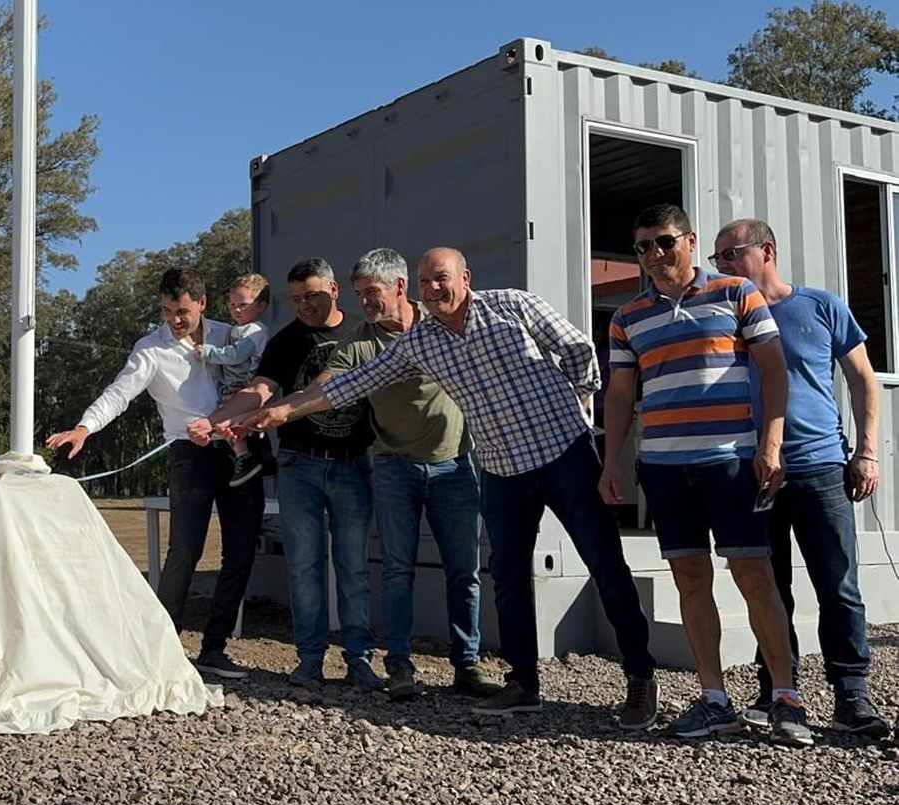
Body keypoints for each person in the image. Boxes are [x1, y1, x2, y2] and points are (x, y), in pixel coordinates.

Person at [243, 247, 659, 728]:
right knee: (506, 576)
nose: (433, 288)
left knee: (604, 563)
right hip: (503, 470)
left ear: (466, 276)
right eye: (425, 281)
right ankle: (524, 682)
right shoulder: (421, 343)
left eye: (441, 277)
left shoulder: (514, 306)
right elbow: (350, 384)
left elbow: (579, 351)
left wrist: (577, 406)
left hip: (564, 454)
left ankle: (639, 677)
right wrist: (281, 412)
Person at [600, 203, 811, 747]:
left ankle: (786, 697)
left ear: (690, 241)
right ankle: (714, 699)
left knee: (754, 576)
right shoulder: (628, 319)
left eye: (664, 242)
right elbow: (622, 395)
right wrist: (611, 463)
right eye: (643, 246)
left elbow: (772, 370)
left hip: (730, 462)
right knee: (690, 581)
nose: (653, 255)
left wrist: (771, 444)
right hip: (665, 469)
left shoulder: (738, 294)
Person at [709, 217, 889, 738]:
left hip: (820, 469)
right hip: (754, 473)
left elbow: (863, 381)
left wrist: (867, 453)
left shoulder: (820, 306)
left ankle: (852, 694)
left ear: (766, 251)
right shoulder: (725, 317)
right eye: (717, 257)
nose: (721, 265)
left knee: (839, 586)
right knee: (771, 587)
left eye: (730, 254)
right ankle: (776, 690)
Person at [47, 267, 265, 681]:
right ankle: (163, 647)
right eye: (166, 311)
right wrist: (85, 427)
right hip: (189, 453)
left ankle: (215, 649)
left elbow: (263, 375)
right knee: (184, 550)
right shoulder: (151, 349)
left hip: (238, 445)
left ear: (202, 303)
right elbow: (120, 393)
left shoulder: (231, 335)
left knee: (241, 550)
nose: (174, 320)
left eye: (182, 310)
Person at [314, 248, 496, 700]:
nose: (364, 303)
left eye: (371, 292)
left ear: (398, 287)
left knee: (464, 571)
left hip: (456, 463)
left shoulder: (442, 325)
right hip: (394, 466)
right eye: (358, 295)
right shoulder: (358, 341)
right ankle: (399, 665)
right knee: (397, 571)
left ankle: (467, 665)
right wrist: (284, 407)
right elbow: (327, 385)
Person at [206, 258, 381, 691]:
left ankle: (358, 659)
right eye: (297, 299)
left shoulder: (362, 333)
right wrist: (216, 419)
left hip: (353, 463)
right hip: (299, 465)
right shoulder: (285, 341)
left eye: (313, 297)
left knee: (353, 566)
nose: (304, 305)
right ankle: (309, 660)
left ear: (335, 291)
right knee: (303, 566)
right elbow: (261, 389)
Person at [195, 273, 271, 487]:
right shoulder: (241, 329)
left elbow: (237, 355)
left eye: (243, 305)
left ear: (261, 306)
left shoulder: (253, 331)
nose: (237, 310)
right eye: (233, 304)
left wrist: (208, 352)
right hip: (234, 385)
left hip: (242, 386)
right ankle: (262, 456)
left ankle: (243, 456)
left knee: (224, 422)